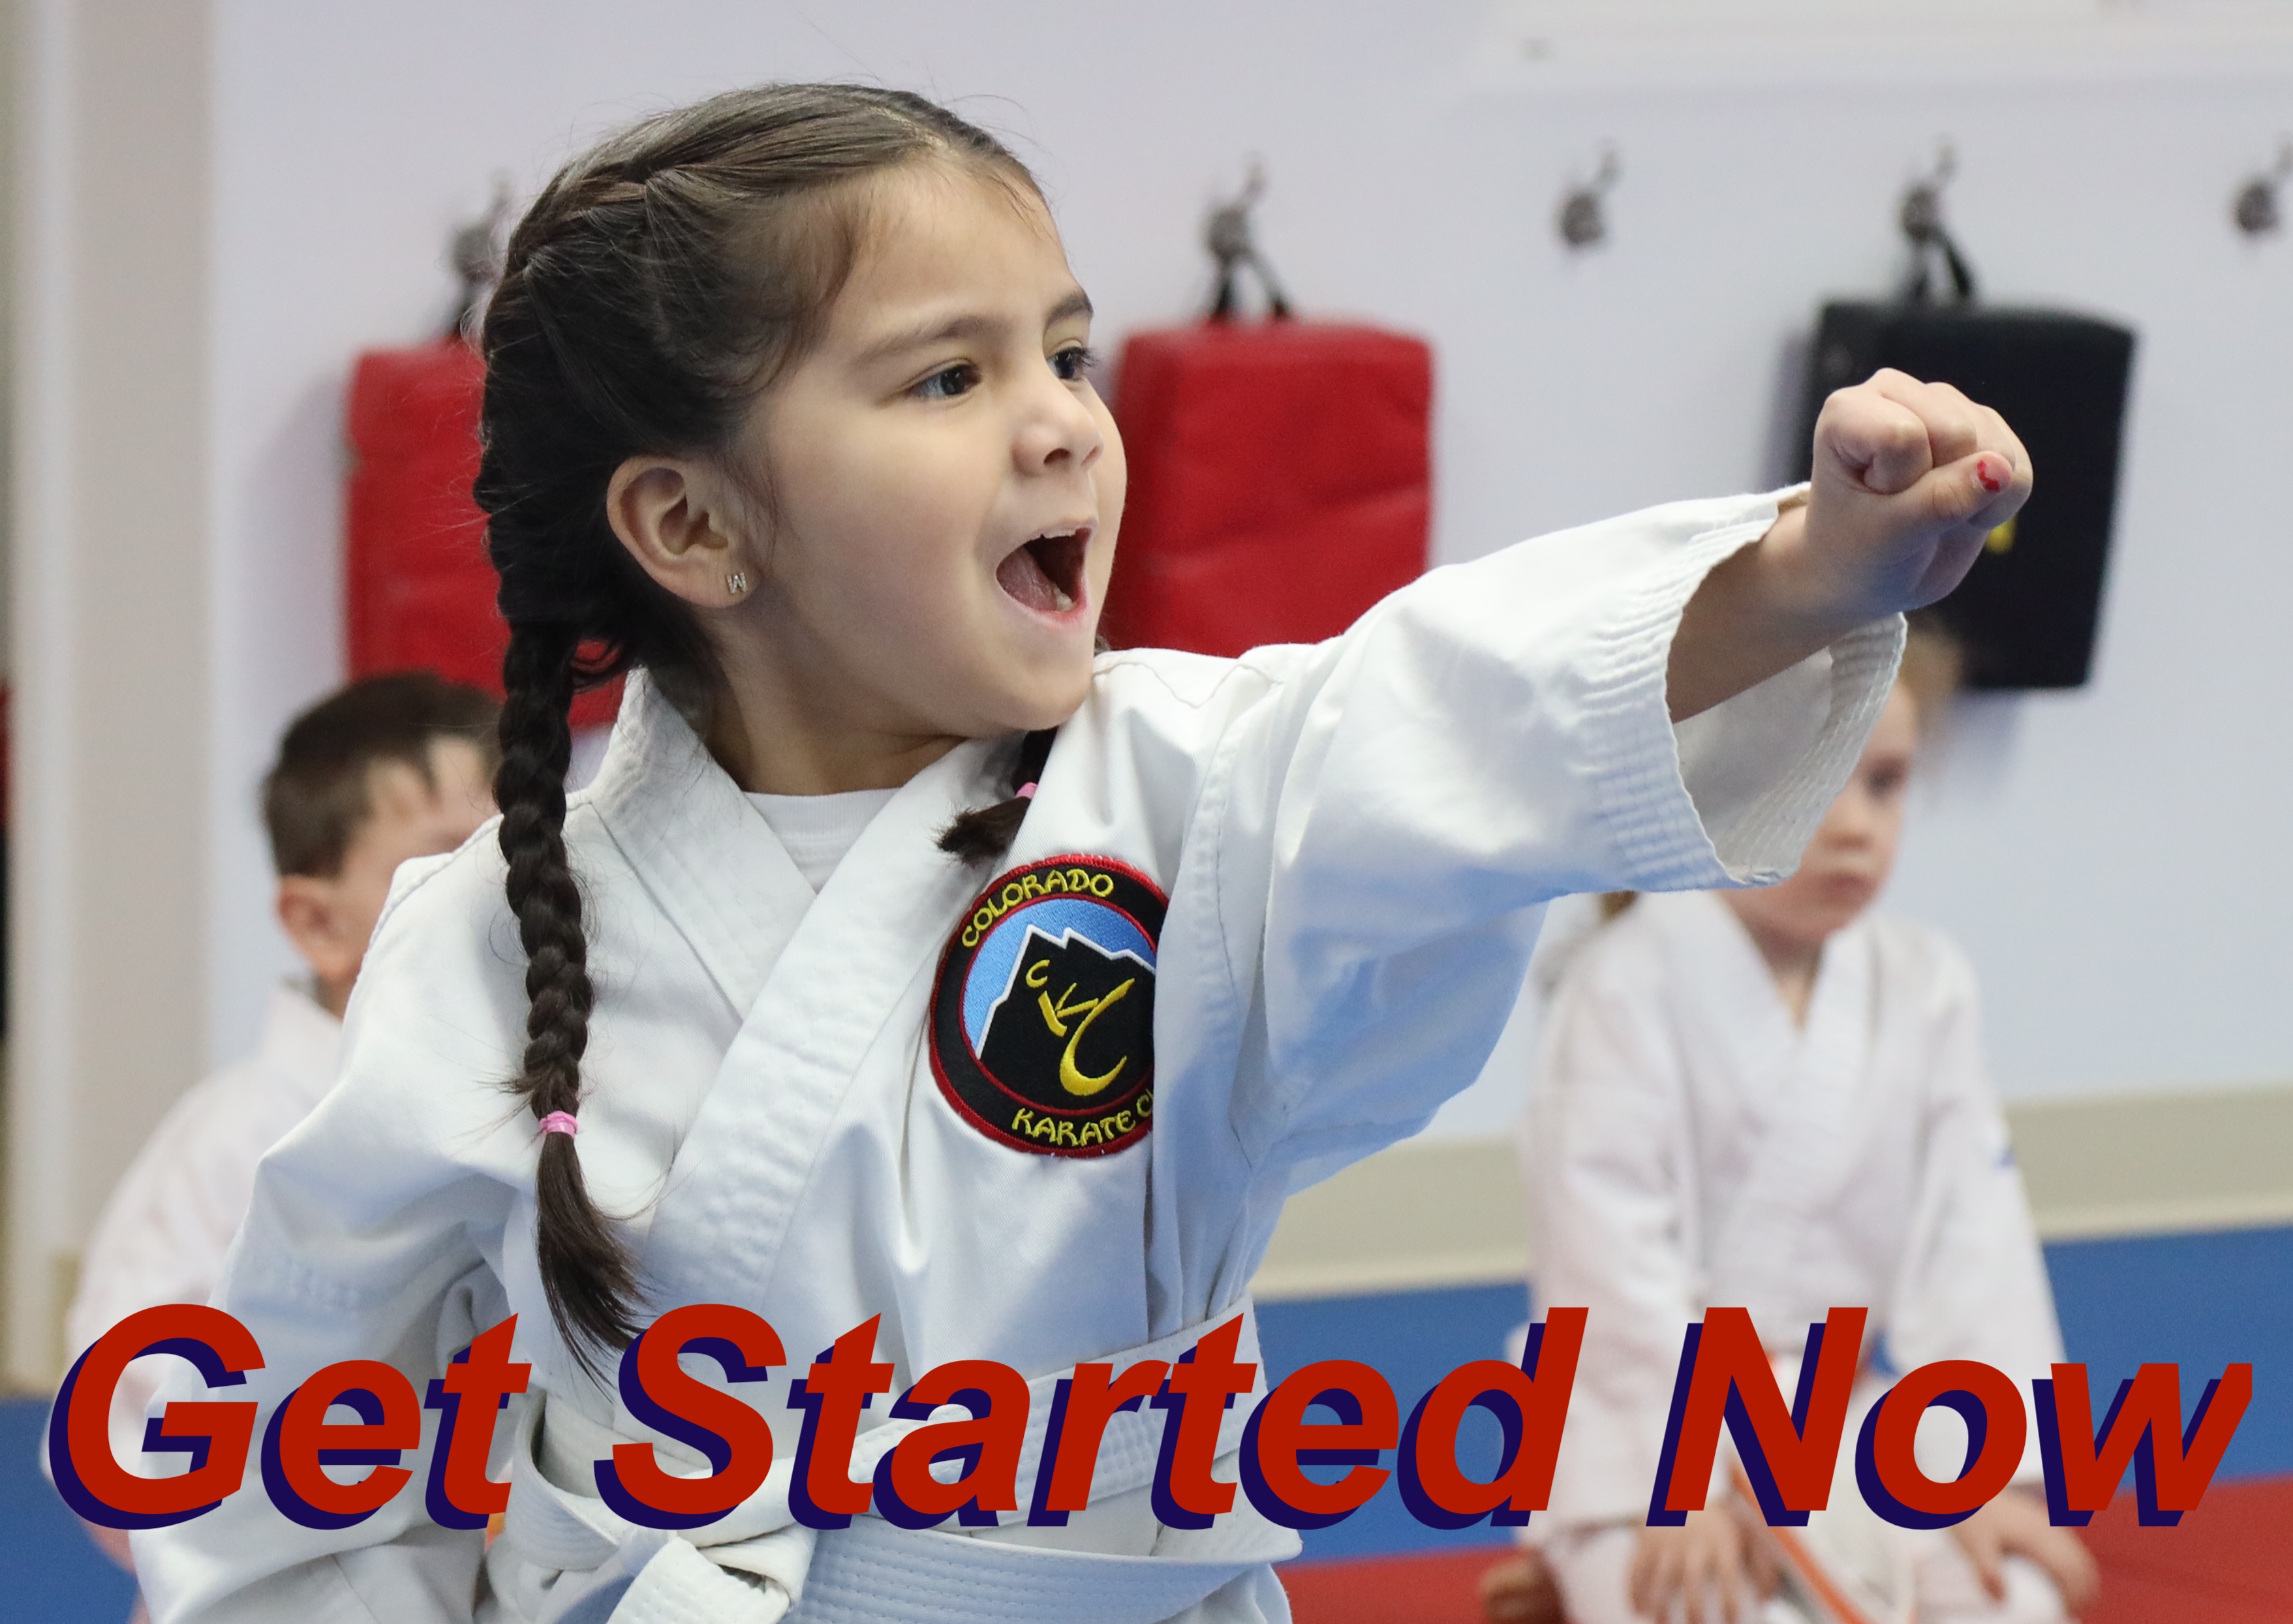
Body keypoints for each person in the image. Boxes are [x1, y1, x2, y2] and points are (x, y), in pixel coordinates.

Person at [133, 84, 2028, 1624]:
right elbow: (298, 1423)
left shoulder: (1180, 786)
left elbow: (1432, 714)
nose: (1063, 426)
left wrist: (1795, 580)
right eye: (945, 379)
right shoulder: (488, 936)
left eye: (1064, 351)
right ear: (693, 527)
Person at [1511, 622, 2099, 1624]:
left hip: (1836, 1418)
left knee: (2017, 1597)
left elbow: (1974, 1242)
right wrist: (1678, 1482)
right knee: (1706, 1608)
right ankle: (1579, 1560)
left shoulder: (1924, 986)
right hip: (1643, 1431)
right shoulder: (1624, 985)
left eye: (1885, 782)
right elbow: (1603, 1266)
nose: (1857, 826)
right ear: (1704, 783)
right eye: (1818, 779)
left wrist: (1992, 1471)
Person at [63, 673, 497, 1610]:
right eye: (453, 864)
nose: (508, 898)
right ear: (316, 920)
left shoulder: (524, 1132)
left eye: (526, 857)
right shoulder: (241, 1137)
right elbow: (119, 1419)